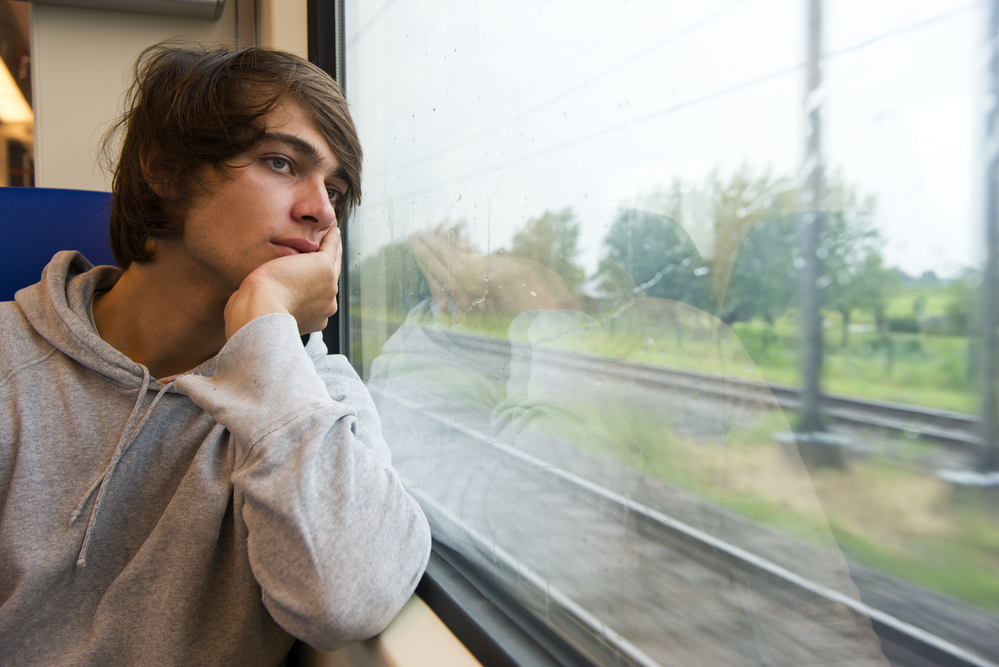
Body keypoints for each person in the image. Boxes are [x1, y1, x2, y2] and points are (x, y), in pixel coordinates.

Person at [0, 42, 431, 666]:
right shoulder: (11, 358)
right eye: (282, 163)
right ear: (165, 170)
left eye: (334, 190)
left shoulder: (312, 397)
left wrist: (266, 329)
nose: (318, 211)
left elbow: (349, 603)